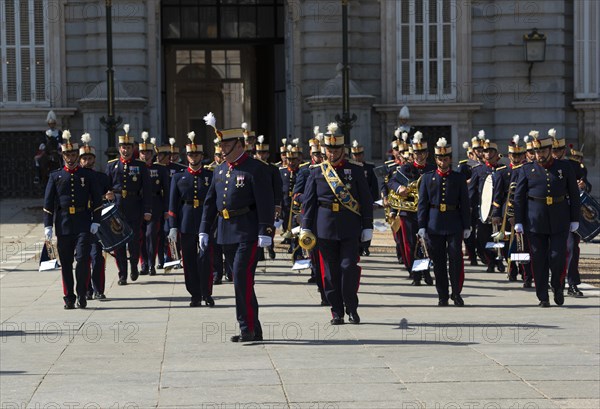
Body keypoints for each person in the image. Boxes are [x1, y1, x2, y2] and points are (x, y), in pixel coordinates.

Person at [199, 113, 274, 342]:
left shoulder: (255, 168)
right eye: (221, 146)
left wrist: (266, 230)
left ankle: (246, 329)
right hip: (225, 232)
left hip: (248, 232)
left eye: (227, 145)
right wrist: (203, 228)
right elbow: (211, 201)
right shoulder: (220, 169)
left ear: (239, 145)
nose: (222, 150)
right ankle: (254, 327)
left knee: (241, 278)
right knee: (241, 281)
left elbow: (265, 201)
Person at [300, 122, 373, 325]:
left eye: (336, 150)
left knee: (348, 268)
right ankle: (336, 311)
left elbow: (366, 200)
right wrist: (306, 226)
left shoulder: (355, 170)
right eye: (329, 150)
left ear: (343, 150)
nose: (332, 153)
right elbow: (309, 202)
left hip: (349, 227)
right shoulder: (316, 172)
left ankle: (351, 307)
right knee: (330, 273)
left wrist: (367, 225)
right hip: (324, 228)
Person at [513, 131, 581, 307]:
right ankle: (543, 296)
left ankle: (557, 286)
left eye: (542, 152)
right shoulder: (527, 169)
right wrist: (519, 220)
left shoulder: (564, 167)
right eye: (536, 152)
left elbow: (574, 194)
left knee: (558, 256)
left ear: (550, 150)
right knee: (538, 258)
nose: (539, 155)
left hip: (560, 218)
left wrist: (575, 218)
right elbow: (519, 197)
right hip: (535, 220)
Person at [43, 131, 102, 309]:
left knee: (83, 260)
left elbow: (97, 199)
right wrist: (48, 224)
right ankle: (69, 296)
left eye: (74, 154)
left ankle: (82, 293)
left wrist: (96, 220)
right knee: (67, 263)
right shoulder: (56, 176)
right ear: (63, 155)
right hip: (64, 223)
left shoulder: (87, 175)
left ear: (78, 155)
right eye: (67, 154)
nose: (71, 157)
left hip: (84, 221)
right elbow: (48, 202)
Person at [418, 137, 470, 306]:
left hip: (454, 223)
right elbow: (422, 204)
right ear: (436, 159)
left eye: (445, 158)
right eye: (440, 159)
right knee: (439, 261)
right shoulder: (427, 178)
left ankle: (456, 293)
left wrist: (467, 225)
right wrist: (422, 226)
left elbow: (465, 203)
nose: (442, 161)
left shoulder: (458, 178)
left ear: (450, 159)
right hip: (434, 224)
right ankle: (442, 294)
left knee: (455, 258)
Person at [168, 132, 214, 307]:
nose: (193, 158)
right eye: (190, 155)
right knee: (188, 260)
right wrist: (173, 226)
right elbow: (173, 203)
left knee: (206, 260)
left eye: (196, 155)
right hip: (186, 221)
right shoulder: (179, 177)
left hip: (205, 221)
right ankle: (194, 294)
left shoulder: (210, 176)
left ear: (202, 156)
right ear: (186, 156)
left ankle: (207, 293)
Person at [105, 124, 153, 285]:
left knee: (133, 240)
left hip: (135, 206)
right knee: (118, 241)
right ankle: (122, 274)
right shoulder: (112, 165)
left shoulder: (140, 166)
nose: (126, 150)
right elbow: (106, 186)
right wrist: (107, 194)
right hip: (117, 208)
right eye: (123, 147)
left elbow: (147, 190)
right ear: (119, 148)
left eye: (128, 147)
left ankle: (133, 264)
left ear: (133, 148)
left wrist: (147, 210)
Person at [388, 131, 435, 285]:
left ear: (427, 154)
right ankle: (415, 274)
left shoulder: (432, 168)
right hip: (409, 212)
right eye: (416, 152)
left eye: (422, 152)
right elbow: (392, 182)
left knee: (428, 243)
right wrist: (399, 188)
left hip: (428, 212)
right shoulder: (405, 168)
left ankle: (426, 271)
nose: (419, 155)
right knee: (410, 244)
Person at [551, 132, 591, 297]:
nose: (556, 152)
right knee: (552, 250)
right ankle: (555, 281)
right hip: (550, 213)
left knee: (572, 249)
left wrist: (582, 186)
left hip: (569, 212)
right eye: (553, 149)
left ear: (564, 149)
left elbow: (587, 186)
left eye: (559, 149)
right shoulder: (542, 167)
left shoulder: (574, 166)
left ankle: (572, 283)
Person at [490, 135, 532, 284]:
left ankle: (527, 274)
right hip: (507, 213)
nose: (516, 157)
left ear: (524, 155)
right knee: (510, 244)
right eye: (513, 155)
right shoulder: (502, 172)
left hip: (524, 213)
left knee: (524, 244)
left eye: (519, 155)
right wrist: (496, 214)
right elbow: (497, 196)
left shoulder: (528, 170)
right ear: (509, 156)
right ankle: (512, 270)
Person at [78, 133, 111, 300]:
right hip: (82, 219)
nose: (87, 161)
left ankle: (98, 289)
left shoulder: (101, 177)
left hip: (98, 220)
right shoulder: (75, 177)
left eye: (90, 158)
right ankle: (86, 289)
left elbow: (109, 194)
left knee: (97, 257)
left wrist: (110, 195)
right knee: (83, 258)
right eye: (84, 158)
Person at [469, 135, 505, 273]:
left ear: (496, 154)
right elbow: (472, 191)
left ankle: (499, 260)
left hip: (499, 209)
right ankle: (490, 261)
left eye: (491, 152)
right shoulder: (478, 170)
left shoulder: (503, 169)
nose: (488, 154)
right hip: (483, 210)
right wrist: (470, 208)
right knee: (484, 238)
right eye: (486, 152)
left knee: (499, 236)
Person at [138, 134, 170, 276]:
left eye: (148, 153)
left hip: (155, 204)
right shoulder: (136, 167)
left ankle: (151, 263)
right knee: (140, 236)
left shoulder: (160, 169)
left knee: (151, 234)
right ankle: (143, 263)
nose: (145, 155)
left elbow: (167, 190)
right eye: (143, 152)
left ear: (153, 154)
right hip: (138, 204)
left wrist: (166, 209)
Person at [154, 139, 186, 269]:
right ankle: (161, 260)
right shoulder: (155, 168)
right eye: (158, 156)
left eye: (161, 155)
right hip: (158, 203)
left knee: (171, 232)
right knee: (159, 234)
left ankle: (174, 259)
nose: (159, 158)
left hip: (173, 204)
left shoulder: (178, 169)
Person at [254, 135, 283, 261]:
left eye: (264, 152)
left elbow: (277, 186)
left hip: (269, 201)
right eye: (259, 152)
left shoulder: (273, 169)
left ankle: (270, 247)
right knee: (256, 226)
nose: (262, 155)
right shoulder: (252, 167)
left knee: (269, 226)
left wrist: (277, 203)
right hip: (255, 202)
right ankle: (259, 252)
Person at [351, 140, 379, 256]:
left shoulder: (369, 167)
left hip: (367, 199)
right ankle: (358, 245)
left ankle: (366, 246)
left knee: (367, 222)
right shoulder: (351, 167)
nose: (357, 157)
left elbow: (374, 185)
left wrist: (375, 201)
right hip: (355, 200)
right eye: (355, 155)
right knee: (357, 223)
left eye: (359, 155)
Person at [35, 110, 63, 185]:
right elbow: (43, 141)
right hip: (48, 150)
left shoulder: (59, 132)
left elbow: (61, 140)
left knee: (64, 158)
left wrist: (60, 144)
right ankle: (37, 176)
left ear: (55, 124)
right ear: (48, 124)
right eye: (50, 124)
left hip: (56, 150)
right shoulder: (46, 132)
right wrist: (42, 145)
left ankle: (64, 171)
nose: (52, 125)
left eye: (53, 124)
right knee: (37, 159)